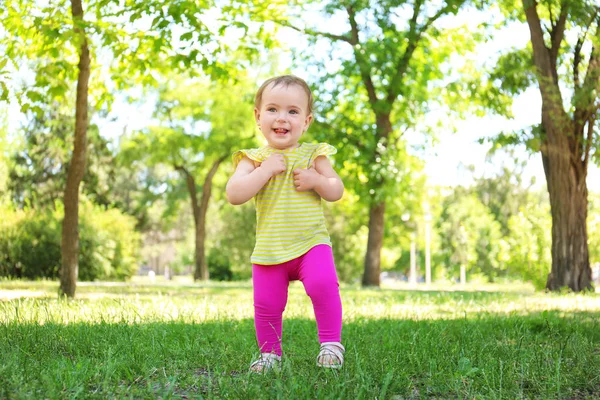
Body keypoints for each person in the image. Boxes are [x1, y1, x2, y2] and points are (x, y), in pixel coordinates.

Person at [226, 75, 345, 373]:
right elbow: (234, 194)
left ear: (306, 121)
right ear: (258, 116)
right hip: (270, 249)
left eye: (293, 112)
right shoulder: (253, 159)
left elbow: (336, 189)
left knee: (323, 285)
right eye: (273, 109)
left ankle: (331, 346)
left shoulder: (313, 154)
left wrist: (317, 180)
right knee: (266, 303)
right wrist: (264, 171)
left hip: (310, 243)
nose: (282, 118)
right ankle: (270, 356)